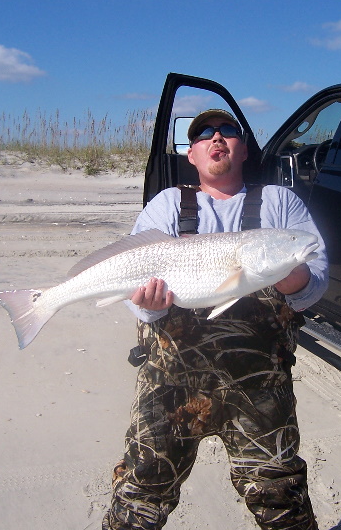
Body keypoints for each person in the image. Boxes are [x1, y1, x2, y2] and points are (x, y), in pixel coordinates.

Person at [103, 109, 328, 530]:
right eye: (203, 134)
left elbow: (315, 284)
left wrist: (293, 278)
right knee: (143, 489)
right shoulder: (167, 204)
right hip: (172, 382)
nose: (216, 138)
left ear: (244, 149)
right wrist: (150, 304)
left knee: (279, 493)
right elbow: (142, 305)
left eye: (228, 131)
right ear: (191, 154)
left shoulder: (281, 203)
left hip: (260, 385)